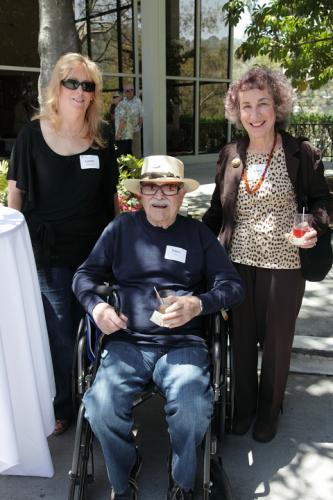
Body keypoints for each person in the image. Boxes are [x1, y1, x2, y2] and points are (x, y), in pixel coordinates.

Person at [72, 155, 244, 499]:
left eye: (169, 187)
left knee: (194, 406)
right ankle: (125, 473)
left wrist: (198, 303)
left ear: (181, 195)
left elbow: (232, 286)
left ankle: (181, 479)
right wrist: (97, 307)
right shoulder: (119, 230)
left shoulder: (197, 234)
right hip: (126, 342)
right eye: (151, 186)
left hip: (183, 344)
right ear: (141, 194)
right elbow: (84, 277)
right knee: (100, 406)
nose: (160, 194)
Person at [202, 66, 331, 443]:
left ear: (277, 106)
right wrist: (192, 240)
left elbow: (324, 200)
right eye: (246, 106)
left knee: (276, 342)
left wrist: (316, 226)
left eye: (263, 104)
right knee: (240, 340)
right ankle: (243, 408)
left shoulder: (300, 152)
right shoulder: (231, 154)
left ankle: (269, 411)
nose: (254, 114)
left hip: (285, 261)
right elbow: (216, 210)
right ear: (236, 111)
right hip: (237, 262)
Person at [7, 52, 119, 436]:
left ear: (94, 94)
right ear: (56, 87)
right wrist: (14, 248)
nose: (79, 91)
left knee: (96, 329)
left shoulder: (102, 140)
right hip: (48, 253)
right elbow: (16, 193)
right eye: (71, 82)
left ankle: (100, 400)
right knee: (59, 331)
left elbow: (112, 200)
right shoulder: (32, 135)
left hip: (94, 254)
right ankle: (65, 406)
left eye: (87, 85)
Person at [115, 84, 144, 158]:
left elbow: (141, 116)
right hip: (125, 134)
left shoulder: (138, 101)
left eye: (132, 90)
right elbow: (121, 119)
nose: (130, 92)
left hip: (135, 132)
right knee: (127, 155)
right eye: (128, 91)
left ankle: (137, 169)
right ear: (124, 92)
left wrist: (138, 127)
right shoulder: (122, 103)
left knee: (136, 153)